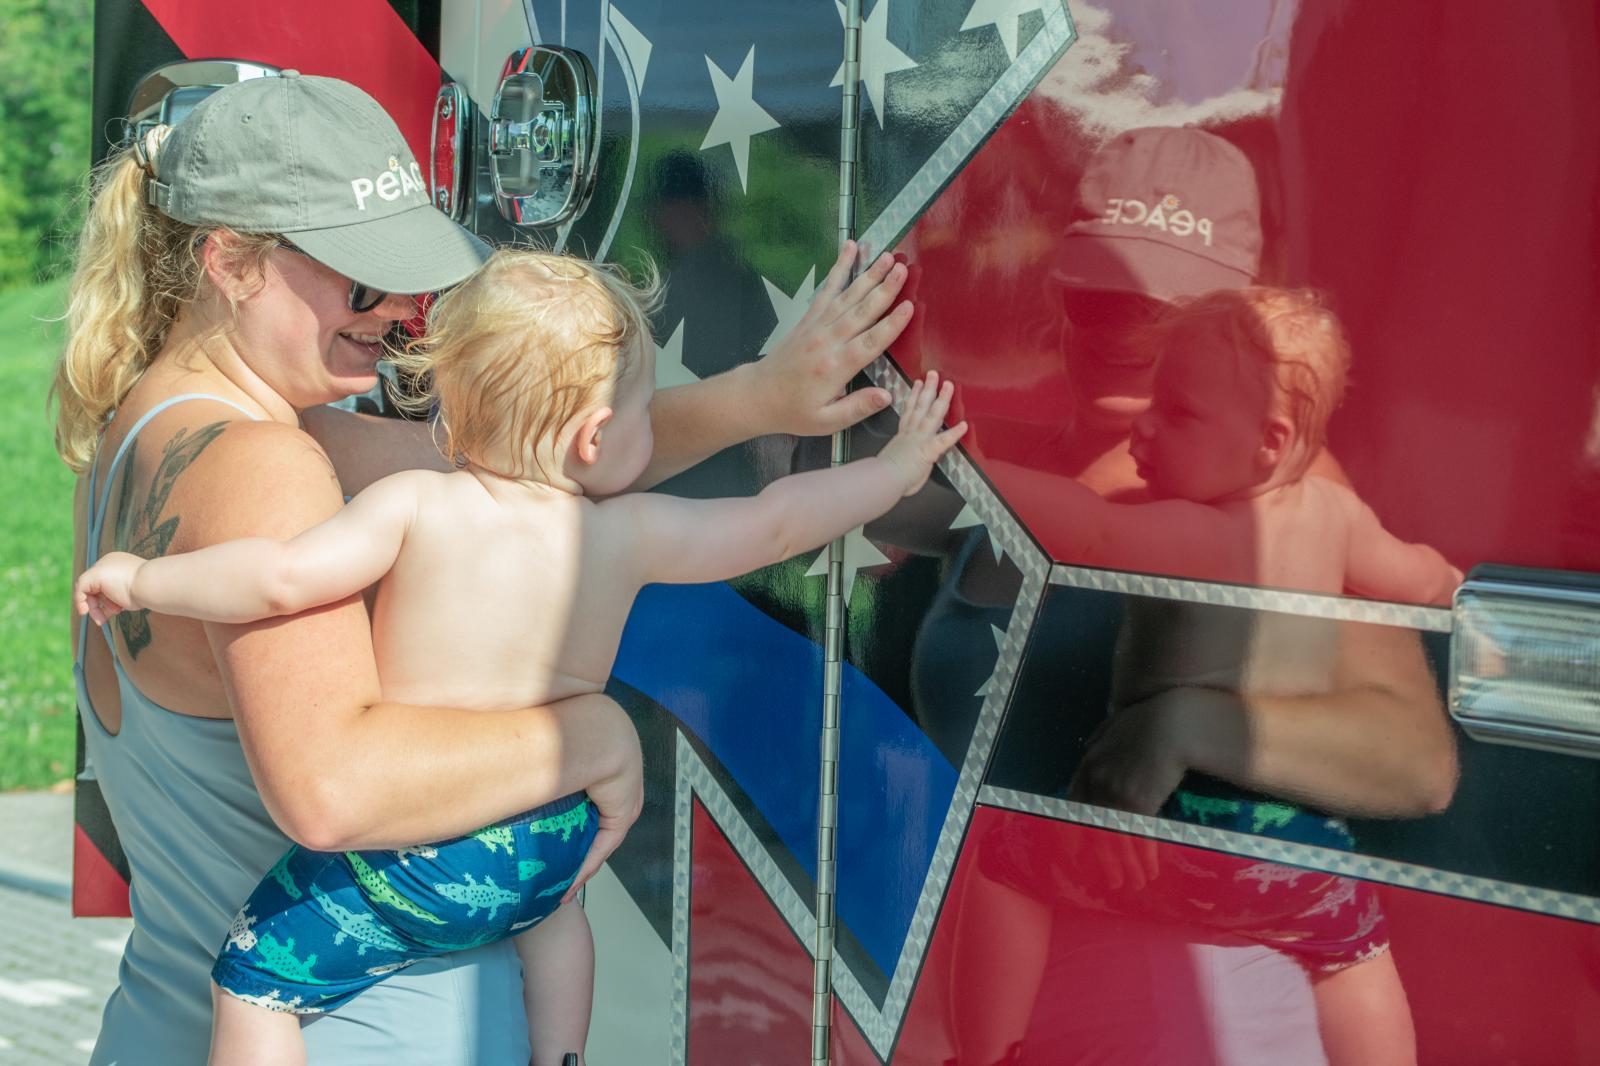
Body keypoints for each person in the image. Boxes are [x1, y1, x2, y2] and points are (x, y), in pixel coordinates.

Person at [55, 72, 913, 1065]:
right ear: (230, 263)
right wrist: (587, 733)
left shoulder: (142, 436)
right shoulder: (267, 465)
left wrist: (758, 397)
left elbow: (534, 470)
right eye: (360, 279)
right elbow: (331, 792)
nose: (396, 312)